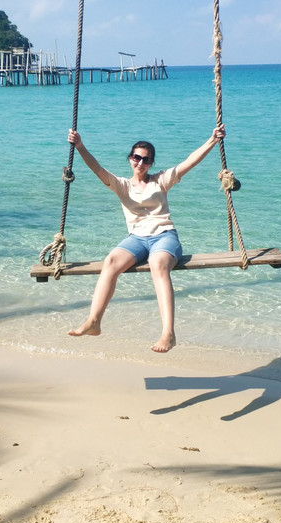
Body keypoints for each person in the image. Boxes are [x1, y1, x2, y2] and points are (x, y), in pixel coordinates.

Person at [66, 123, 226, 353]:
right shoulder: (122, 185)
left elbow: (189, 162)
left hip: (164, 236)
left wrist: (212, 140)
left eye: (146, 159)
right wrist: (80, 146)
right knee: (110, 262)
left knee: (157, 264)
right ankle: (94, 321)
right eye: (136, 157)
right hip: (137, 239)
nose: (140, 163)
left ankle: (168, 334)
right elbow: (97, 169)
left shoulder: (160, 180)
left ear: (151, 163)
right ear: (130, 158)